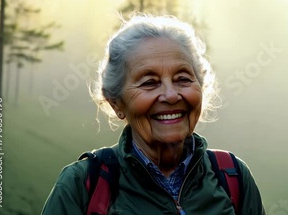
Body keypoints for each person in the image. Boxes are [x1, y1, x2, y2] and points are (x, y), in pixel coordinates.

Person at [41, 15, 266, 214]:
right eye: (149, 83)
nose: (170, 95)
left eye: (183, 79)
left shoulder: (232, 176)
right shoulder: (82, 185)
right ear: (117, 103)